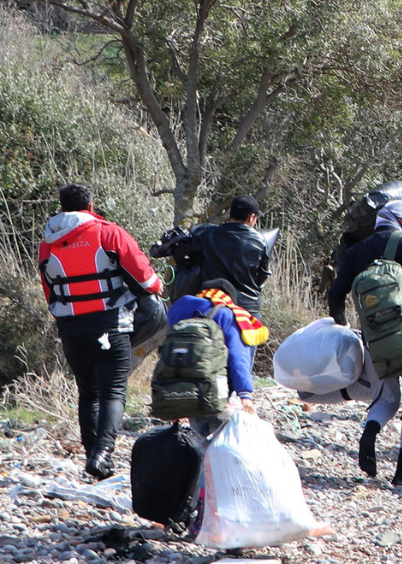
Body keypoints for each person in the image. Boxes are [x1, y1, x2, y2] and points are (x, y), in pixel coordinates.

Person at [38, 184, 167, 479]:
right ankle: (103, 455)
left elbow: (50, 291)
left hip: (71, 329)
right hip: (111, 325)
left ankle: (92, 456)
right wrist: (158, 286)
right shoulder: (109, 233)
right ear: (91, 206)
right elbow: (146, 280)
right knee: (113, 393)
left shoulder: (47, 243)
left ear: (61, 208)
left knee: (88, 393)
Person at [327, 199, 402, 485]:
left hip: (374, 337)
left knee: (387, 397)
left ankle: (369, 434)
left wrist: (342, 323)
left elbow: (335, 294)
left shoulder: (357, 250)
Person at [148, 195, 276, 314]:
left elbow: (180, 254)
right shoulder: (261, 242)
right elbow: (262, 276)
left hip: (213, 302)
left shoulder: (208, 233)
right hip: (247, 308)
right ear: (251, 217)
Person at [163, 278, 258, 428]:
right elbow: (238, 356)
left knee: (190, 435)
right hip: (212, 390)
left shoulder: (178, 310)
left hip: (177, 388)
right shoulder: (227, 314)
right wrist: (245, 393)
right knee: (212, 435)